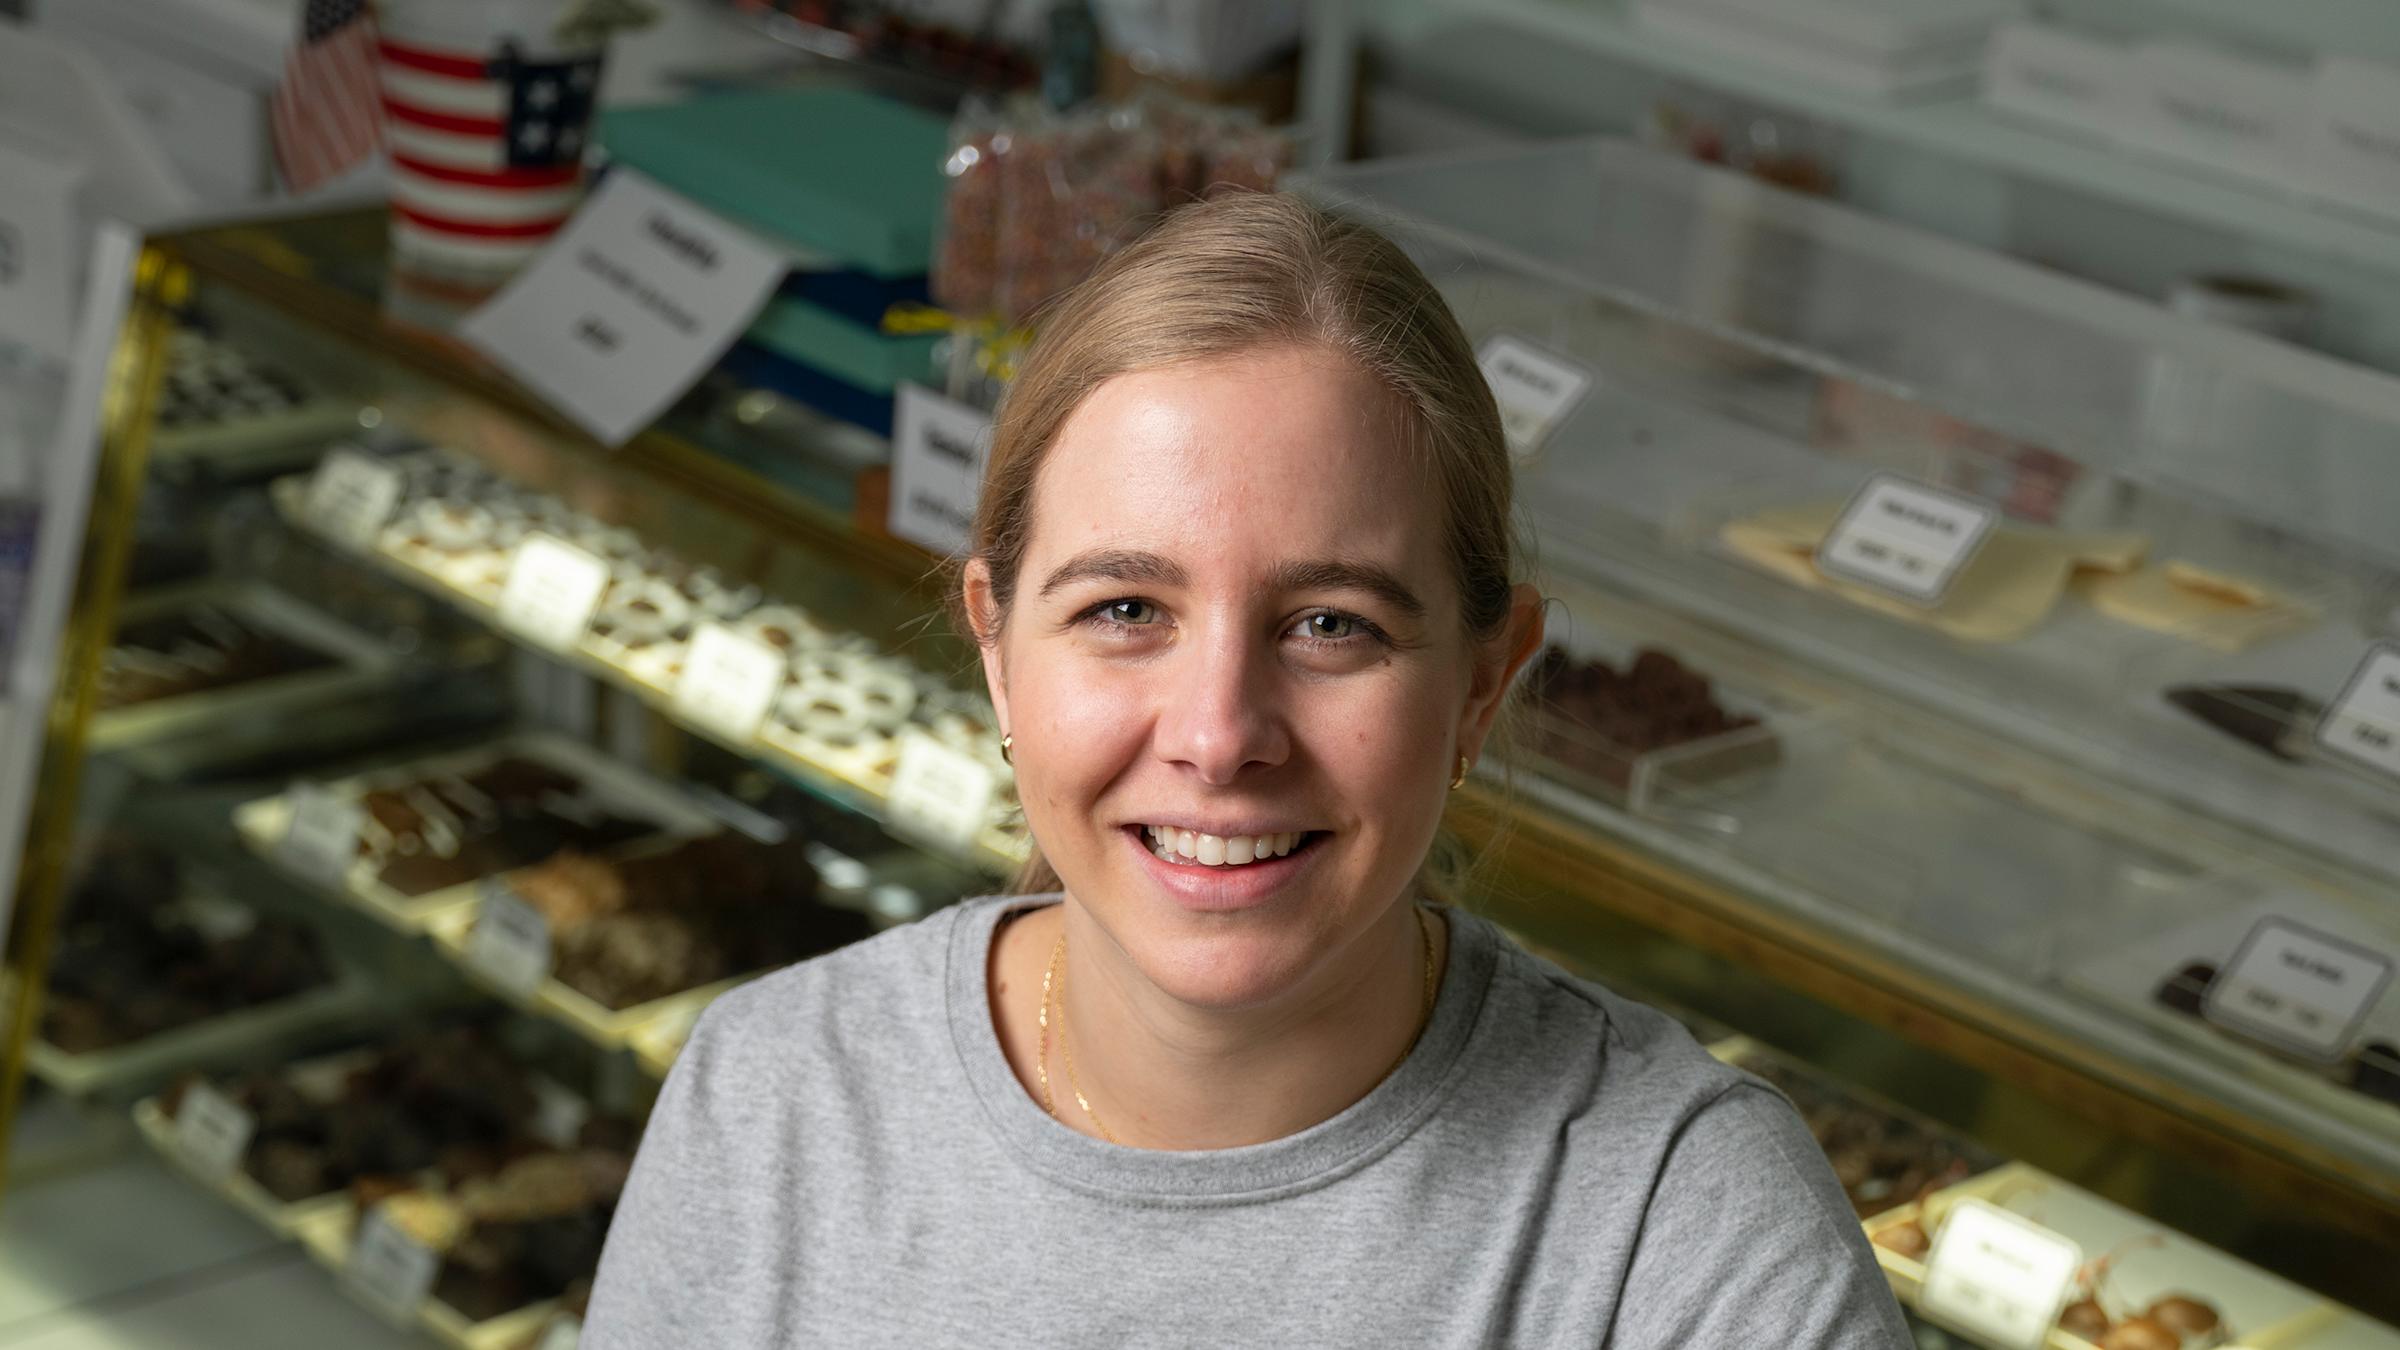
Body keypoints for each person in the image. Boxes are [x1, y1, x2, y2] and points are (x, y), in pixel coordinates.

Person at [585, 191, 1910, 1347]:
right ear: (997, 649)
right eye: (1123, 611)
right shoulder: (772, 1098)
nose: (1219, 733)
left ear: (1482, 682)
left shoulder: (1687, 1238)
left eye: (1332, 623)